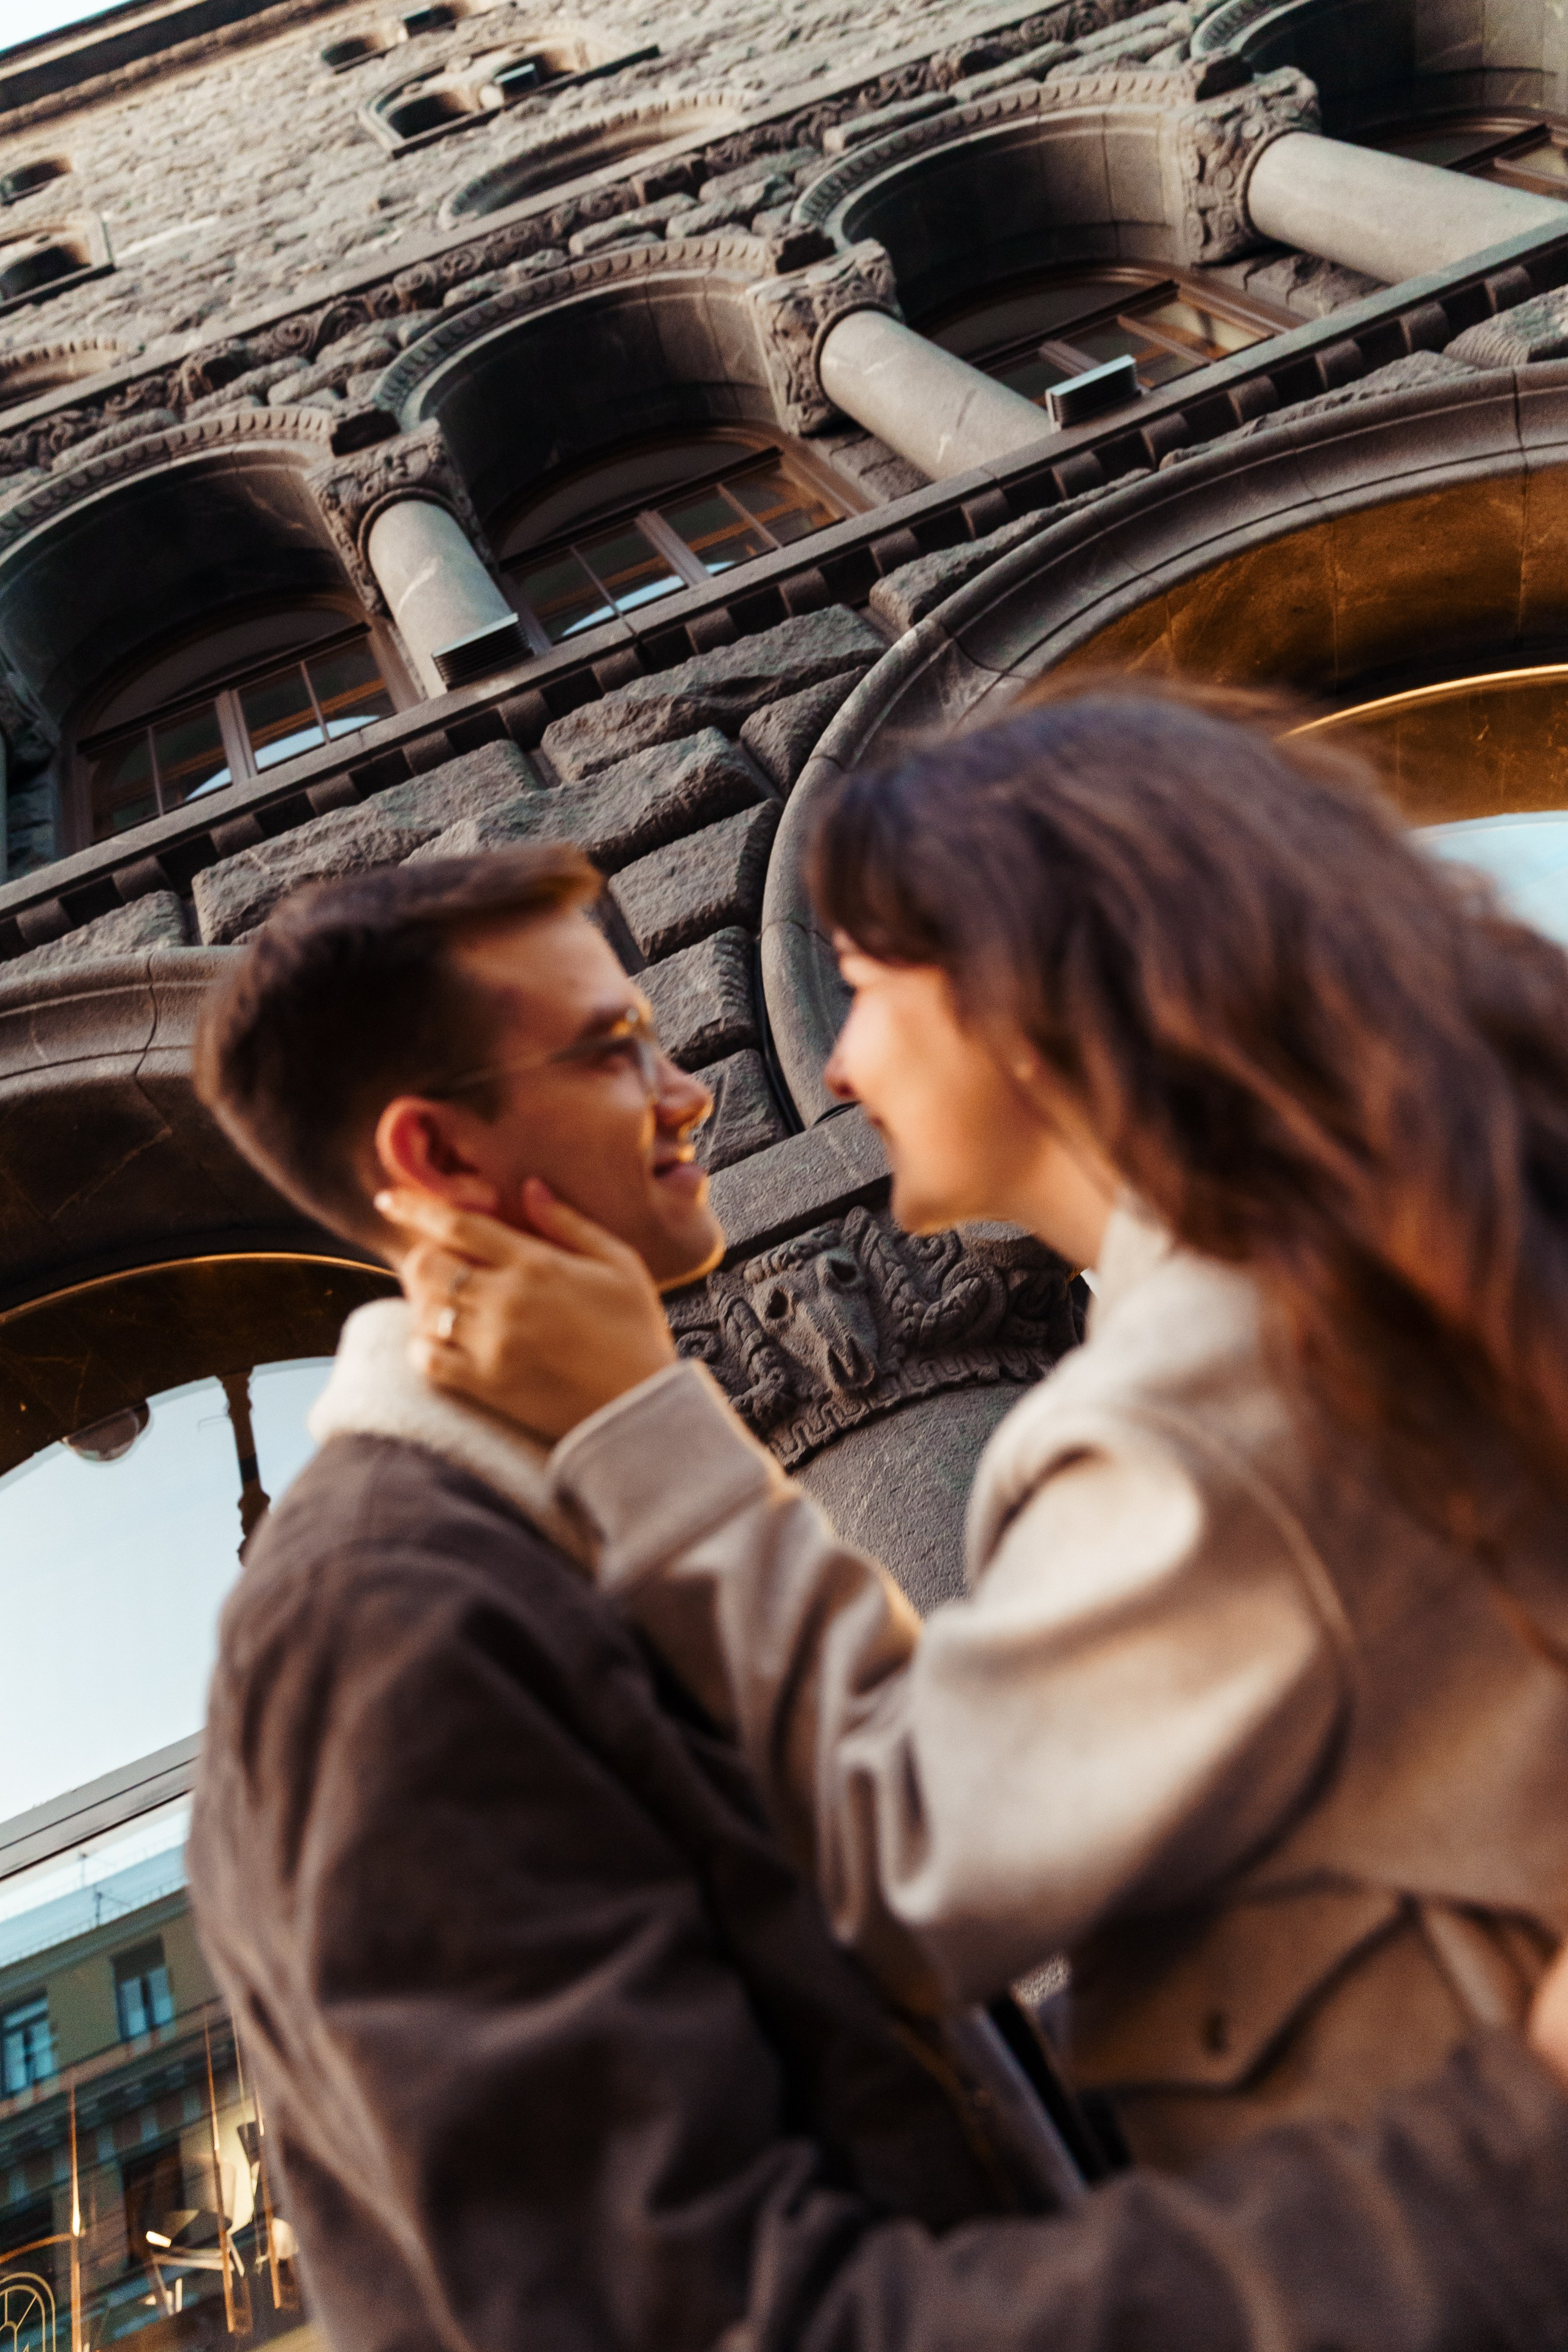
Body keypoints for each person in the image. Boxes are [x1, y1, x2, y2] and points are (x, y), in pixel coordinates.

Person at [184, 835, 1568, 2352]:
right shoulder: (384, 1630)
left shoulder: (553, 1537)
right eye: (611, 1049)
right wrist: (1505, 2146)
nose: (690, 1087)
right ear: (437, 1163)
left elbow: (910, 2122)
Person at [389, 679, 1568, 2180]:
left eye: (866, 985)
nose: (833, 1062)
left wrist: (636, 1419)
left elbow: (903, 1857)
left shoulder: (1199, 1389)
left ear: (1014, 990)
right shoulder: (1373, 1264)